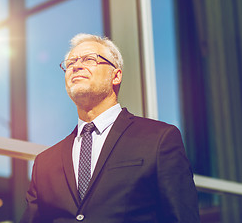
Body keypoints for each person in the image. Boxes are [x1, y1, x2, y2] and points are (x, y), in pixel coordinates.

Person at [20, 33, 200, 223]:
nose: (76, 66)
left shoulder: (159, 139)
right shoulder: (45, 163)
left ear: (116, 76)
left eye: (89, 59)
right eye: (70, 62)